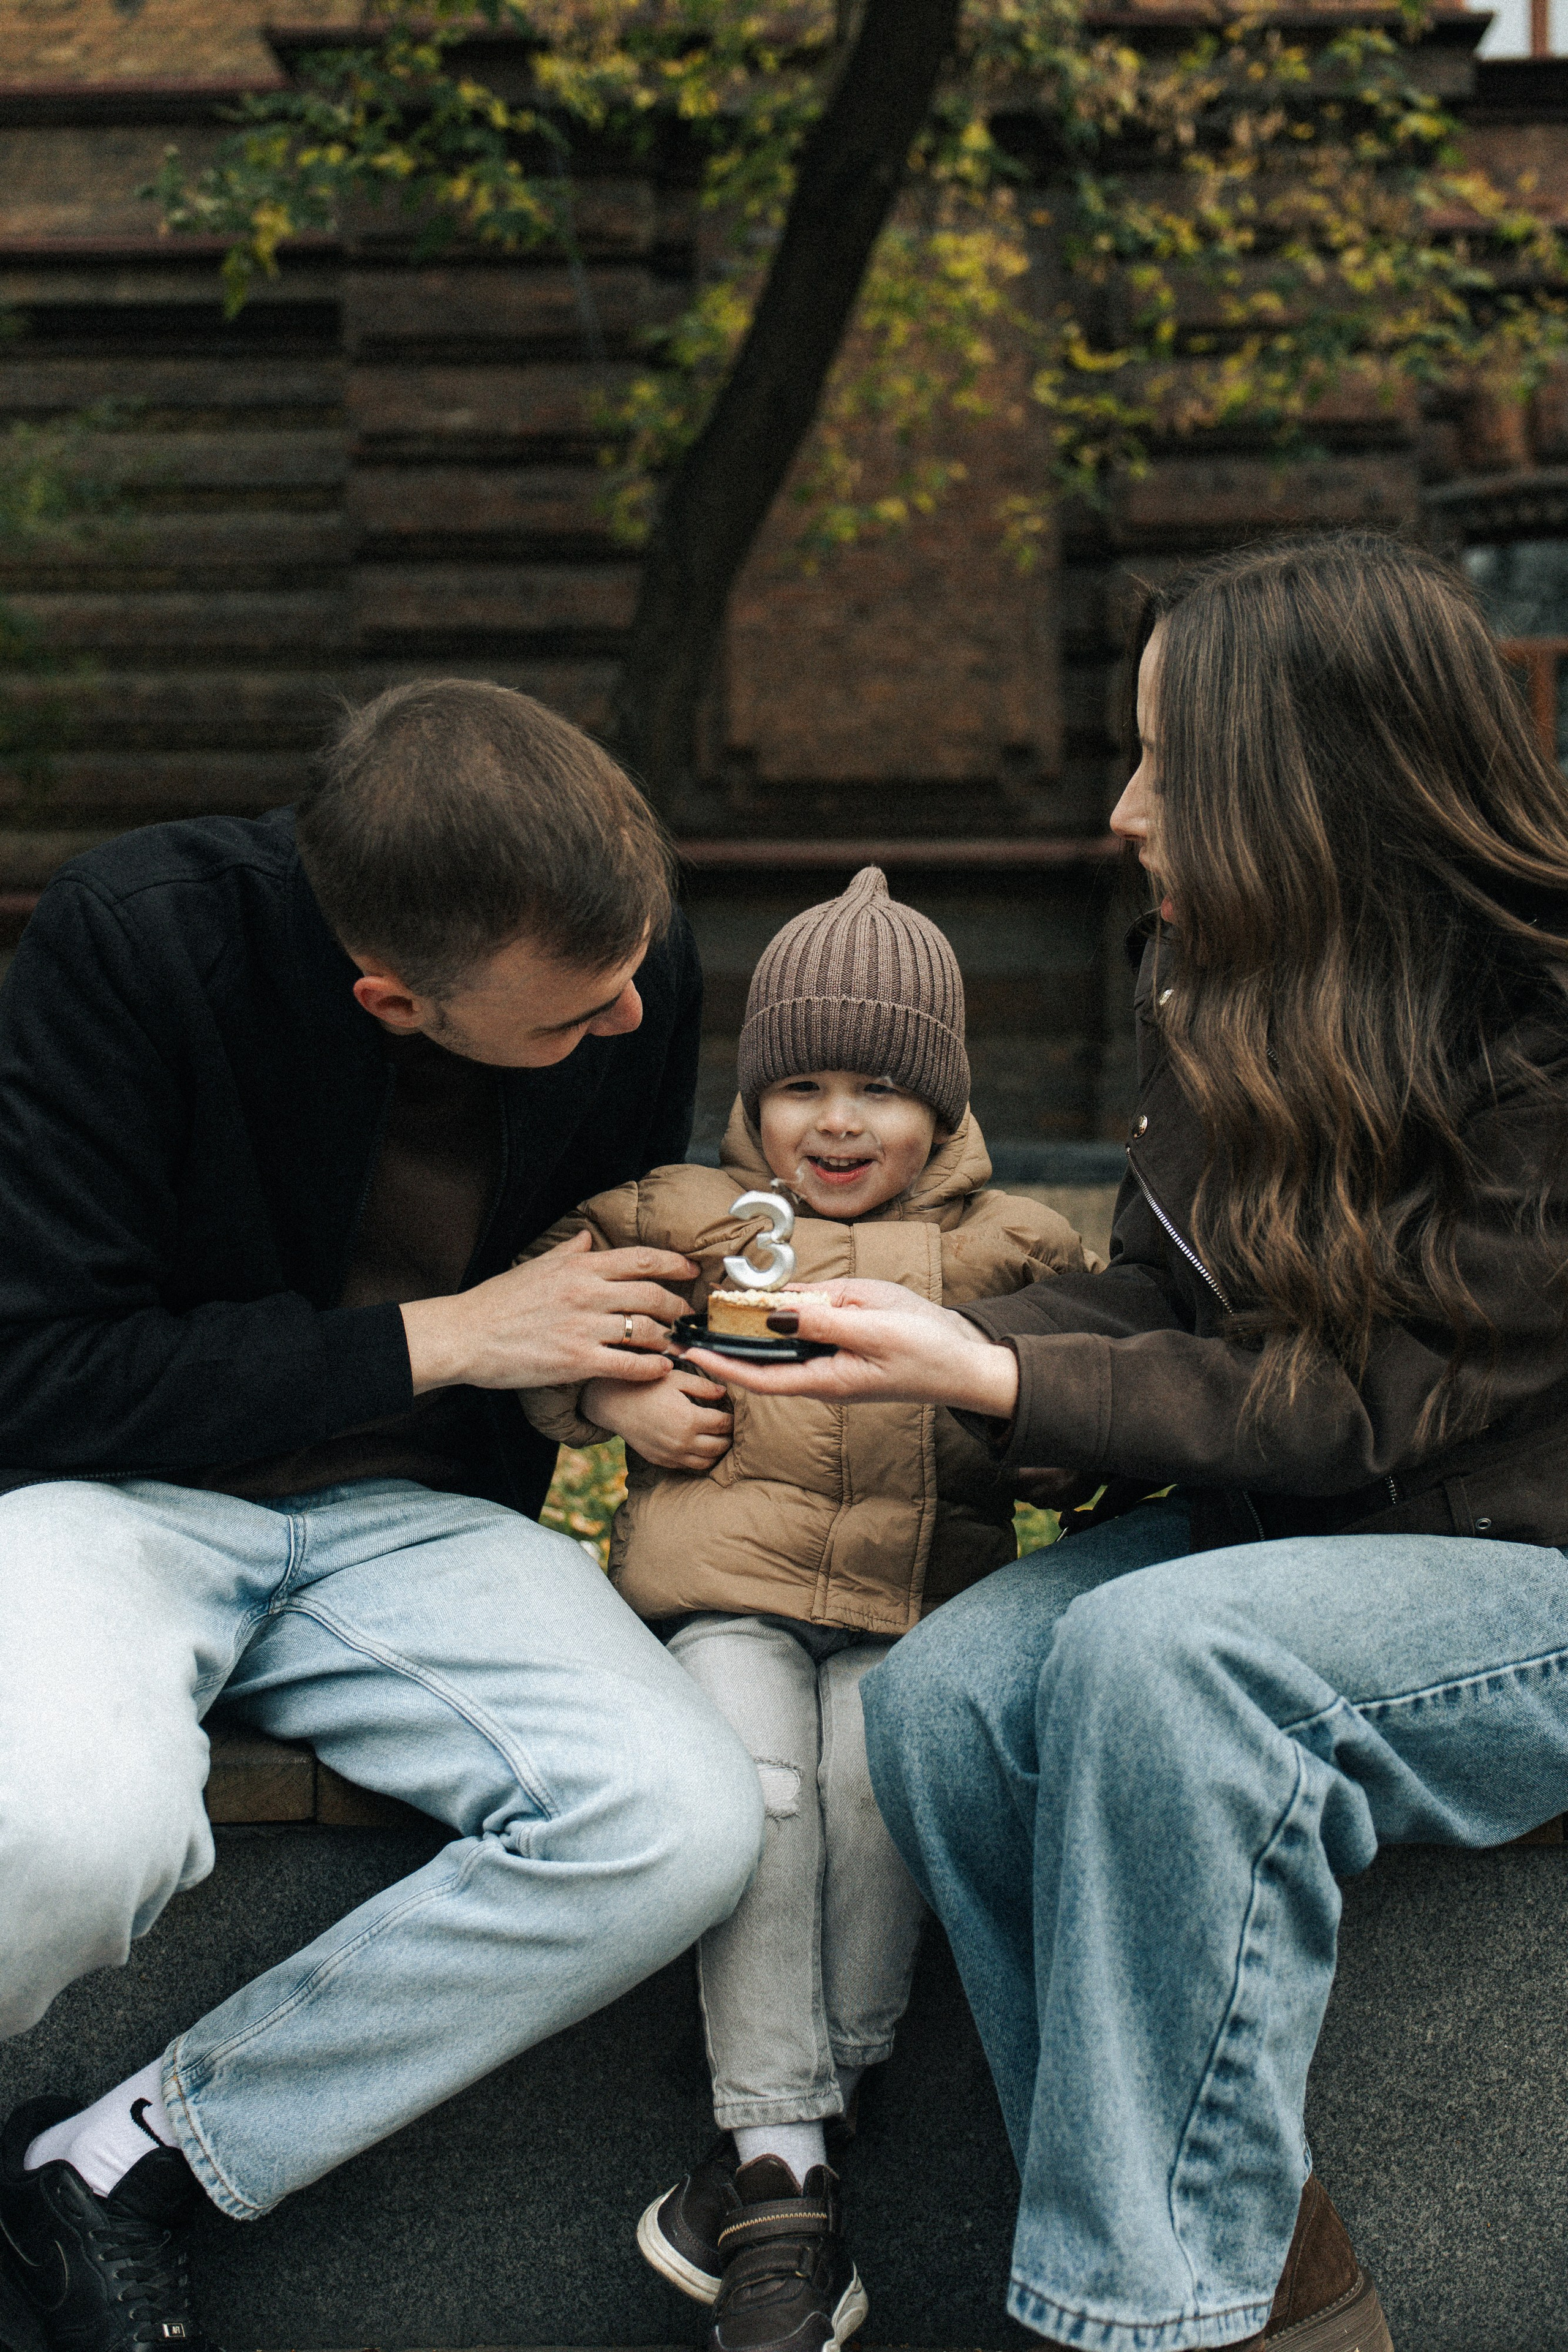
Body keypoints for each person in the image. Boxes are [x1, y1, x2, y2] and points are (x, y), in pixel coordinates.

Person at [683, 533, 1568, 2352]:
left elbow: (1380, 1398)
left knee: (1163, 1660)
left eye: (1167, 759)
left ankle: (1143, 2318)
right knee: (951, 1696)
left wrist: (1007, 1384)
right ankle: (1270, 2285)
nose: (1122, 809)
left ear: (1302, 783)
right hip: (1305, 1543)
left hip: (1522, 1568)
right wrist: (948, 1347)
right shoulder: (1222, 978)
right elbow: (1184, 1326)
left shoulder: (1546, 1028)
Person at [0, 680, 766, 2352]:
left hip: (415, 1526)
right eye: (577, 1014)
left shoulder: (634, 972)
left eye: (639, 965)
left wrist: (595, 1379)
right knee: (65, 1835)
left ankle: (133, 2157)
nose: (636, 1020)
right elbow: (39, 1372)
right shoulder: (131, 945)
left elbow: (584, 1266)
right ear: (391, 997)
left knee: (676, 1820)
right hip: (100, 1504)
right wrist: (455, 1338)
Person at [518, 865, 1095, 2352]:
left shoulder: (1008, 1250)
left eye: (883, 1090)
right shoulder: (689, 1217)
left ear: (948, 1109)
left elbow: (1097, 1394)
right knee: (759, 1787)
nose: (837, 1123)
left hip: (915, 1619)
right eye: (803, 1085)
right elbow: (523, 1330)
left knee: (871, 1781)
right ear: (753, 1095)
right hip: (727, 1603)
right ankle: (784, 2158)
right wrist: (610, 1392)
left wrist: (1049, 1431)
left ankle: (786, 2136)